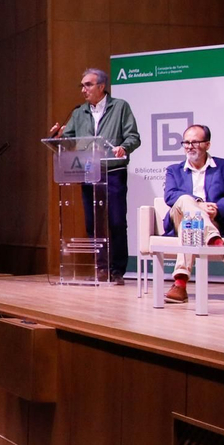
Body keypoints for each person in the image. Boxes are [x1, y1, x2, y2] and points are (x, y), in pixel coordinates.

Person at [48, 67, 141, 284]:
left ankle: (117, 270)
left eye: (88, 85)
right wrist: (57, 135)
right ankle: (101, 267)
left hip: (113, 171)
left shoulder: (120, 107)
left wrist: (124, 148)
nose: (83, 89)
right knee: (93, 223)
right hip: (89, 173)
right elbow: (67, 140)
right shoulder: (79, 112)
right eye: (82, 85)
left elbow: (133, 136)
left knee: (116, 222)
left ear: (101, 87)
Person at [160, 124, 224, 304]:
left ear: (207, 145)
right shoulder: (174, 169)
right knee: (184, 200)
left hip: (212, 220)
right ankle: (216, 242)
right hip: (179, 215)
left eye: (195, 142)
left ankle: (180, 285)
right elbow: (170, 196)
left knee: (189, 224)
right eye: (186, 142)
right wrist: (200, 205)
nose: (189, 146)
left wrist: (216, 209)